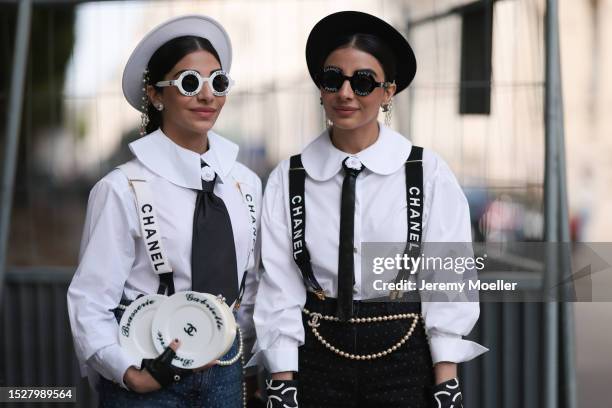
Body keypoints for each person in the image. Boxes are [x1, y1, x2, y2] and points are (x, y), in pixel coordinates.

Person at [250, 11, 488, 408]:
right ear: (321, 88)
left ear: (388, 91)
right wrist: (281, 378)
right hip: (316, 352)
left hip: (405, 354)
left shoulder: (425, 171)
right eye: (333, 79)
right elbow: (279, 283)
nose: (345, 94)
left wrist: (446, 378)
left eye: (362, 82)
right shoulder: (288, 177)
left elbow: (447, 276)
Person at [67, 15, 262, 408]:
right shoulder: (120, 188)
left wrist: (255, 360)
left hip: (225, 368)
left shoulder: (245, 183)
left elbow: (253, 283)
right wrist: (128, 373)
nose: (207, 96)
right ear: (156, 96)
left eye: (218, 82)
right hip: (148, 365)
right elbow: (90, 299)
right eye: (189, 82)